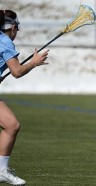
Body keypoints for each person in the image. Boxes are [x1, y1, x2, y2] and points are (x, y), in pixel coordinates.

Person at [0, 10, 49, 185]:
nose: (17, 32)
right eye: (17, 28)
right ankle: (1, 170)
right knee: (12, 126)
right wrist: (34, 63)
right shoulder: (5, 42)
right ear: (12, 27)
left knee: (11, 125)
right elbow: (17, 72)